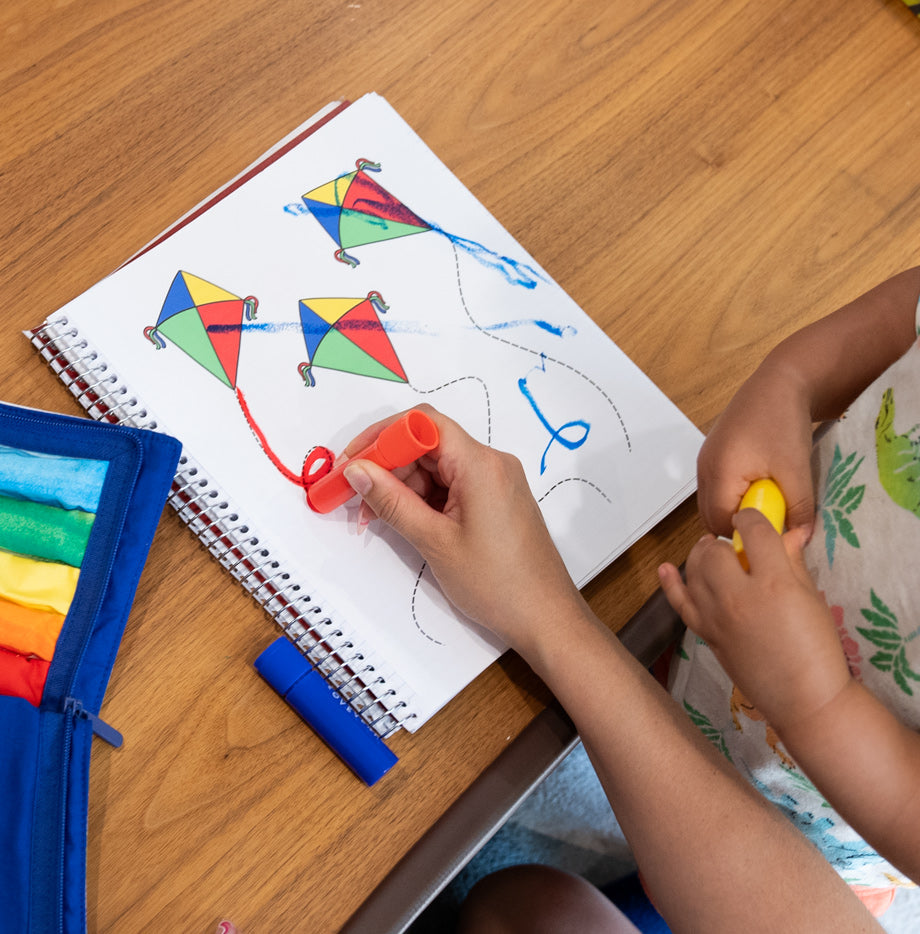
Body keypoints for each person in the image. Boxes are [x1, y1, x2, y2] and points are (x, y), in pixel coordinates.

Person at [338, 399, 884, 932]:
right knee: (520, 902)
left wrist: (545, 613)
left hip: (815, 851)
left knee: (519, 908)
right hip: (718, 700)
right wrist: (791, 388)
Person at [657, 266, 920, 917]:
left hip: (816, 813)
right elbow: (901, 313)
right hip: (725, 633)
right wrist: (789, 381)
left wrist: (814, 702)